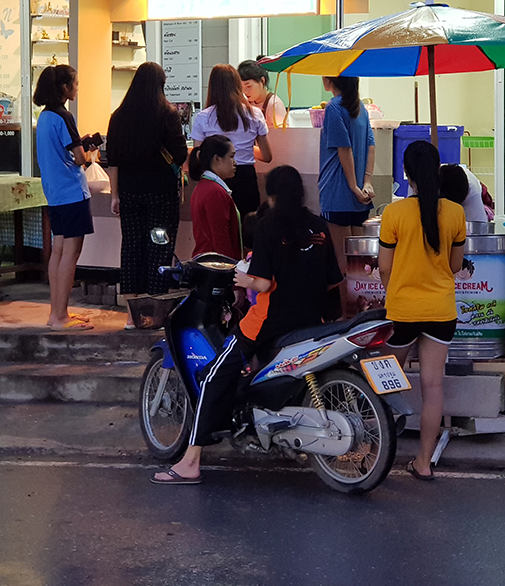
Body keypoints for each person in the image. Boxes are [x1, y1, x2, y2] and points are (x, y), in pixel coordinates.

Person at [152, 166, 343, 484]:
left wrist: (243, 278)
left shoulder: (268, 226)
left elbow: (264, 284)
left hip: (267, 324)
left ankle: (190, 461)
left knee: (213, 377)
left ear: (272, 195)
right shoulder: (318, 226)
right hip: (312, 324)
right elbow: (334, 282)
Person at [379, 140, 466, 481]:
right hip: (441, 311)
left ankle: (373, 453)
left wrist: (394, 290)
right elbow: (455, 265)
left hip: (401, 310)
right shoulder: (456, 213)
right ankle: (424, 463)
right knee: (433, 387)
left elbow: (384, 267)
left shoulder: (394, 213)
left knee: (383, 383)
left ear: (406, 172)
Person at [106, 62, 188, 328]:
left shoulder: (118, 116)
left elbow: (113, 160)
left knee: (131, 248)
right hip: (161, 194)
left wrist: (115, 195)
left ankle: (131, 316)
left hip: (129, 194)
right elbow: (180, 154)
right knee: (158, 248)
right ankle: (153, 314)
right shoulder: (167, 113)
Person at [33, 65, 93, 331]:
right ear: (65, 89)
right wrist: (90, 155)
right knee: (71, 252)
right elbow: (79, 158)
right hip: (72, 191)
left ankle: (56, 313)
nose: (78, 87)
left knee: (58, 251)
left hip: (54, 192)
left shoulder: (44, 117)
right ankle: (61, 316)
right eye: (76, 83)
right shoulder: (64, 116)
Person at [318, 75, 376, 299]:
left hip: (337, 192)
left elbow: (344, 148)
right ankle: (361, 309)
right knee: (361, 263)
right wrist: (365, 182)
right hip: (361, 195)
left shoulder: (333, 107)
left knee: (343, 264)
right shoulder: (359, 106)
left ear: (330, 80)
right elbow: (370, 145)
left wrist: (352, 185)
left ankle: (347, 315)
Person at [191, 64, 272, 217]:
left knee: (219, 229)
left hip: (216, 179)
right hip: (246, 178)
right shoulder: (255, 114)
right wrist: (244, 148)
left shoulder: (203, 117)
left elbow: (199, 155)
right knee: (247, 231)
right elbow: (267, 156)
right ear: (237, 84)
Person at [189, 134, 241, 261]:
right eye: (231, 157)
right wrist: (230, 267)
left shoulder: (205, 187)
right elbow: (220, 239)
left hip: (209, 263)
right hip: (214, 266)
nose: (235, 163)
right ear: (217, 159)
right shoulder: (214, 192)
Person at [239, 59, 287, 129]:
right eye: (241, 87)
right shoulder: (247, 104)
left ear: (262, 81)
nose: (245, 91)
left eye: (248, 86)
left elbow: (283, 133)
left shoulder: (274, 104)